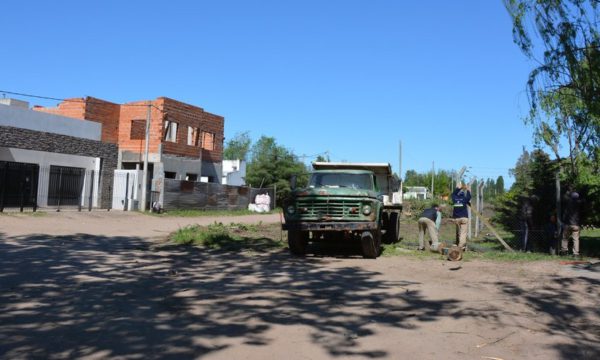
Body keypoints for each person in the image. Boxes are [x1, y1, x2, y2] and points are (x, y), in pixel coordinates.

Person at [561, 190, 583, 256]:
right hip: (576, 224)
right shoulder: (580, 204)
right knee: (576, 239)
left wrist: (563, 221)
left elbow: (565, 214)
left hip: (567, 224)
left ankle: (564, 251)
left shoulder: (568, 204)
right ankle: (576, 253)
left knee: (565, 238)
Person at [451, 182, 471, 251]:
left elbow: (453, 194)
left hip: (457, 219)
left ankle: (459, 244)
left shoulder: (454, 198)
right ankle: (460, 246)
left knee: (459, 232)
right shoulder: (464, 199)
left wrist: (458, 188)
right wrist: (468, 190)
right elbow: (469, 197)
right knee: (463, 233)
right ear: (463, 195)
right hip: (464, 218)